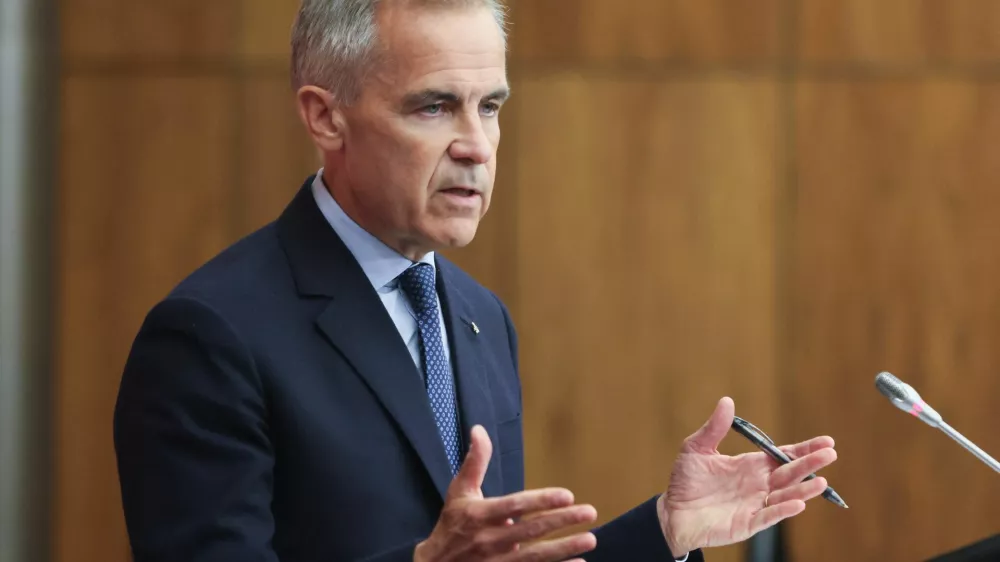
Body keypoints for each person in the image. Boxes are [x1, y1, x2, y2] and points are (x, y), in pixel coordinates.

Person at [112, 1, 840, 561]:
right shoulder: (211, 334)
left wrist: (664, 531)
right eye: (434, 106)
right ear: (325, 117)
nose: (476, 146)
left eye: (490, 107)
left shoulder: (477, 315)